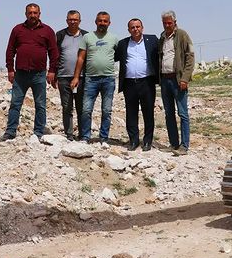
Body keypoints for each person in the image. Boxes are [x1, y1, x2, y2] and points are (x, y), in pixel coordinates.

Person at [0, 3, 58, 141]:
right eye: (30, 13)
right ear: (26, 14)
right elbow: (10, 50)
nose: (33, 15)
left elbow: (54, 53)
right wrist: (10, 69)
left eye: (35, 13)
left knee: (41, 105)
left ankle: (38, 132)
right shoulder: (17, 30)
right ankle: (10, 131)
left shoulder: (48, 31)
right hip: (20, 74)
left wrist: (52, 71)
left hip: (39, 75)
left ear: (39, 14)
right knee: (15, 104)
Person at [71, 11, 118, 143]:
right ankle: (85, 136)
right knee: (86, 109)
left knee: (107, 110)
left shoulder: (114, 38)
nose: (102, 23)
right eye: (100, 20)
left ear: (109, 23)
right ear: (95, 22)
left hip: (108, 79)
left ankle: (104, 138)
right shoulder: (87, 37)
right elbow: (80, 58)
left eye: (105, 21)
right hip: (91, 79)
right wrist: (75, 77)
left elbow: (118, 56)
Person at [115, 18, 159, 151]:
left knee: (148, 112)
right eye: (132, 27)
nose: (135, 29)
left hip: (147, 82)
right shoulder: (123, 43)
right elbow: (114, 57)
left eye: (138, 27)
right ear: (128, 30)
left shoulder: (152, 40)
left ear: (142, 28)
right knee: (131, 113)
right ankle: (133, 141)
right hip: (129, 83)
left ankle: (147, 141)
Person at [158, 10, 195, 155]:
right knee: (169, 113)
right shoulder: (162, 37)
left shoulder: (182, 35)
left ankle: (184, 146)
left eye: (169, 23)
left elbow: (190, 57)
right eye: (164, 23)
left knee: (183, 113)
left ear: (175, 22)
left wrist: (185, 78)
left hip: (178, 80)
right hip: (165, 80)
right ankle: (173, 144)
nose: (167, 25)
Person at [55, 10, 87, 140]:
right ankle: (69, 134)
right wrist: (54, 73)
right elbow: (55, 55)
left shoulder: (86, 36)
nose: (73, 22)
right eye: (70, 19)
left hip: (81, 77)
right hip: (63, 77)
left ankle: (83, 134)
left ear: (80, 21)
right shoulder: (60, 35)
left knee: (82, 108)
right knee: (67, 107)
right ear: (66, 20)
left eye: (75, 19)